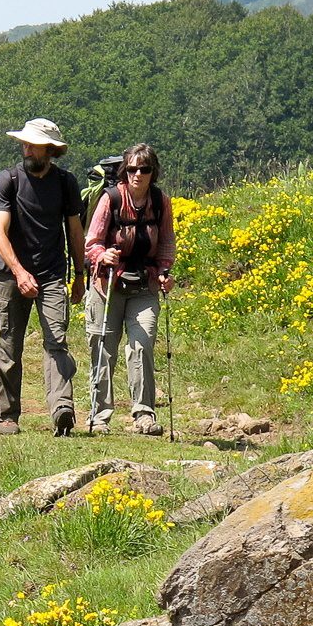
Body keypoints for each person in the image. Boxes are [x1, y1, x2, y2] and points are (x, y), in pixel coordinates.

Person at [0, 118, 87, 436]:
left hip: (53, 274)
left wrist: (80, 275)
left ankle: (62, 410)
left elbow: (75, 231)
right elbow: (0, 232)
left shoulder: (65, 183)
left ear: (50, 150)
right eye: (25, 143)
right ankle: (7, 416)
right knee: (9, 345)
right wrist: (18, 272)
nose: (26, 147)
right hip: (10, 275)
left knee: (56, 342)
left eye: (32, 144)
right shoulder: (9, 180)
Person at [83, 143, 176, 436]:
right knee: (103, 348)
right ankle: (99, 417)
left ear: (153, 172)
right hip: (107, 284)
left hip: (144, 285)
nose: (138, 174)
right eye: (133, 169)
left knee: (142, 344)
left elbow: (166, 243)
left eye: (144, 169)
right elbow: (92, 242)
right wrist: (102, 255)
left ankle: (144, 415)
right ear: (126, 171)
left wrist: (164, 272)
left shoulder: (160, 202)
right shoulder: (110, 199)